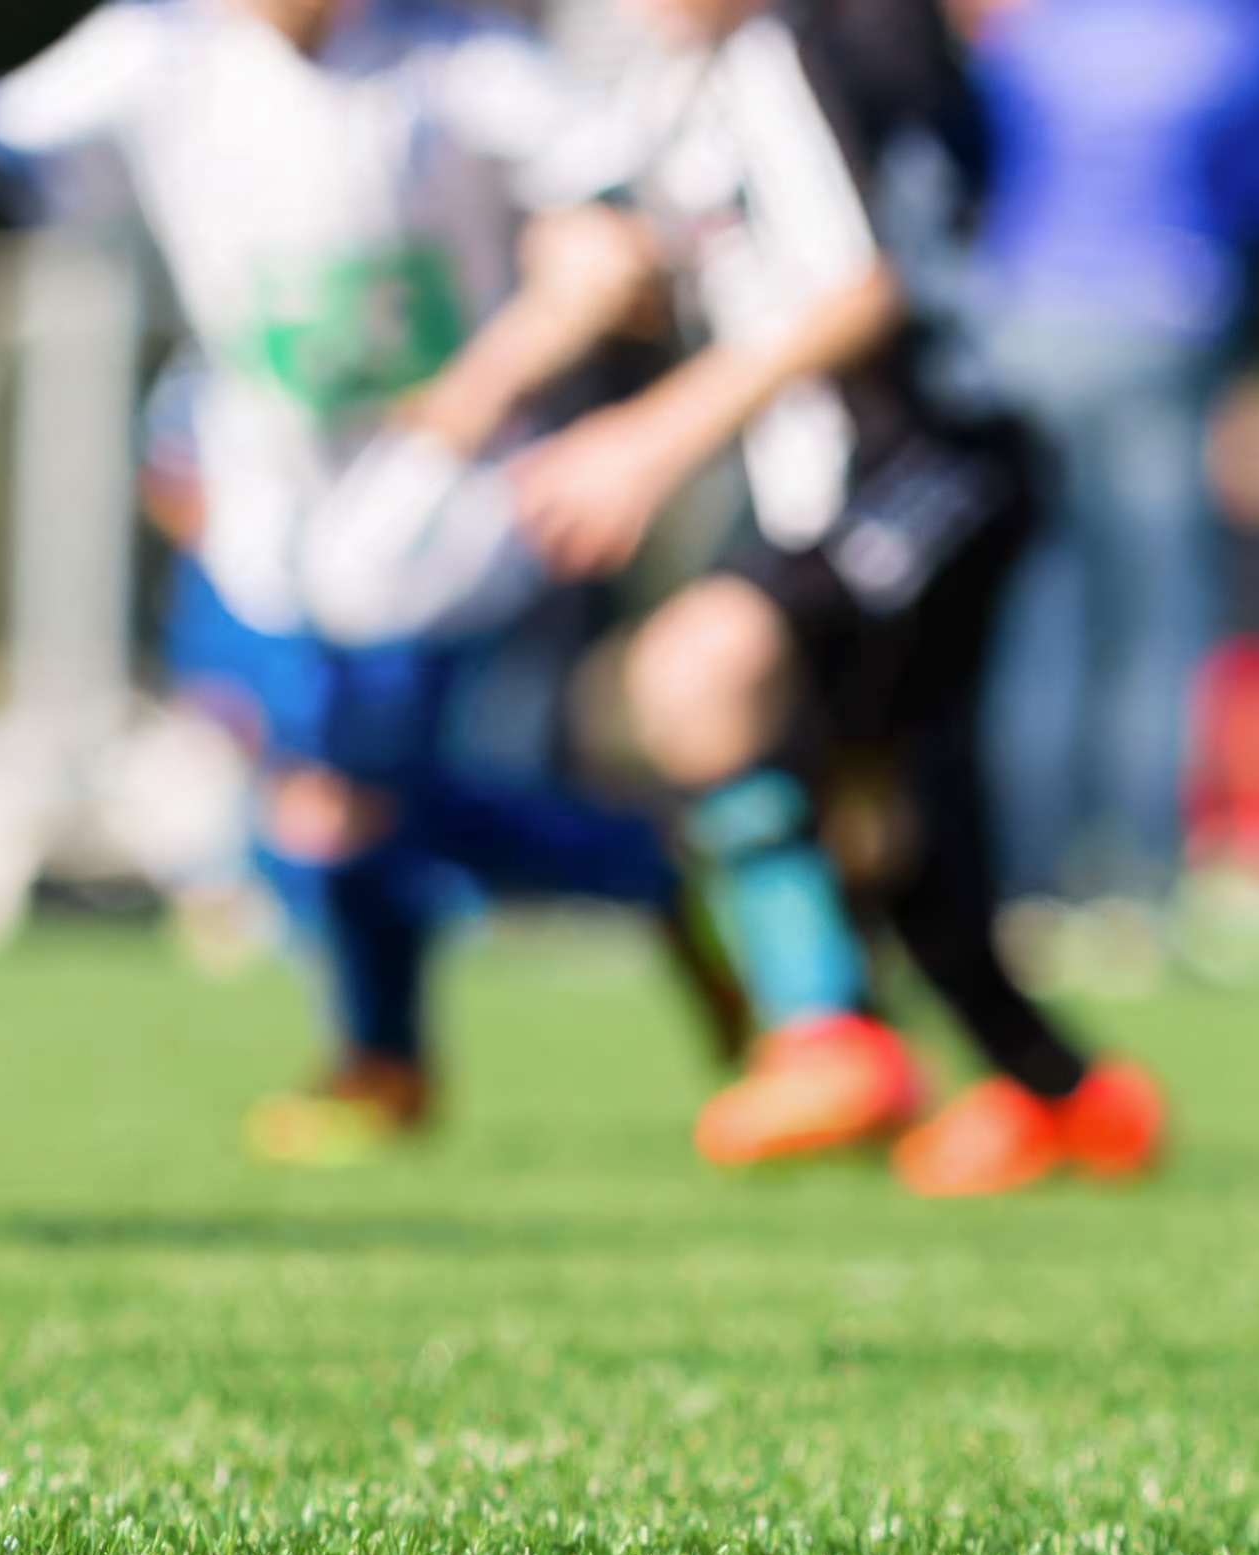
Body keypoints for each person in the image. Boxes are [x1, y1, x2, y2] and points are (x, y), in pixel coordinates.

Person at [0, 0, 738, 1167]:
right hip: (259, 501)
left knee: (344, 799)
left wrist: (571, 291)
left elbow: (621, 215)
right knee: (299, 791)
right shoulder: (158, 49)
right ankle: (573, 921)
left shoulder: (460, 59)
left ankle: (440, 1018)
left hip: (438, 499)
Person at [421, 0, 1167, 1193]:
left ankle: (827, 1033)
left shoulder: (787, 51)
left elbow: (854, 290)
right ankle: (1061, 1095)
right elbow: (666, 245)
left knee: (698, 675)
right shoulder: (695, 79)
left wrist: (649, 440)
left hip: (921, 463)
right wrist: (544, 330)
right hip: (849, 483)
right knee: (880, 811)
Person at [958, 0, 1259, 908]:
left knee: (1041, 616)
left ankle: (1029, 872)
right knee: (1160, 618)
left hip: (1025, 332)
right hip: (1164, 327)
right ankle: (1137, 875)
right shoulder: (1236, 35)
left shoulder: (1029, 35)